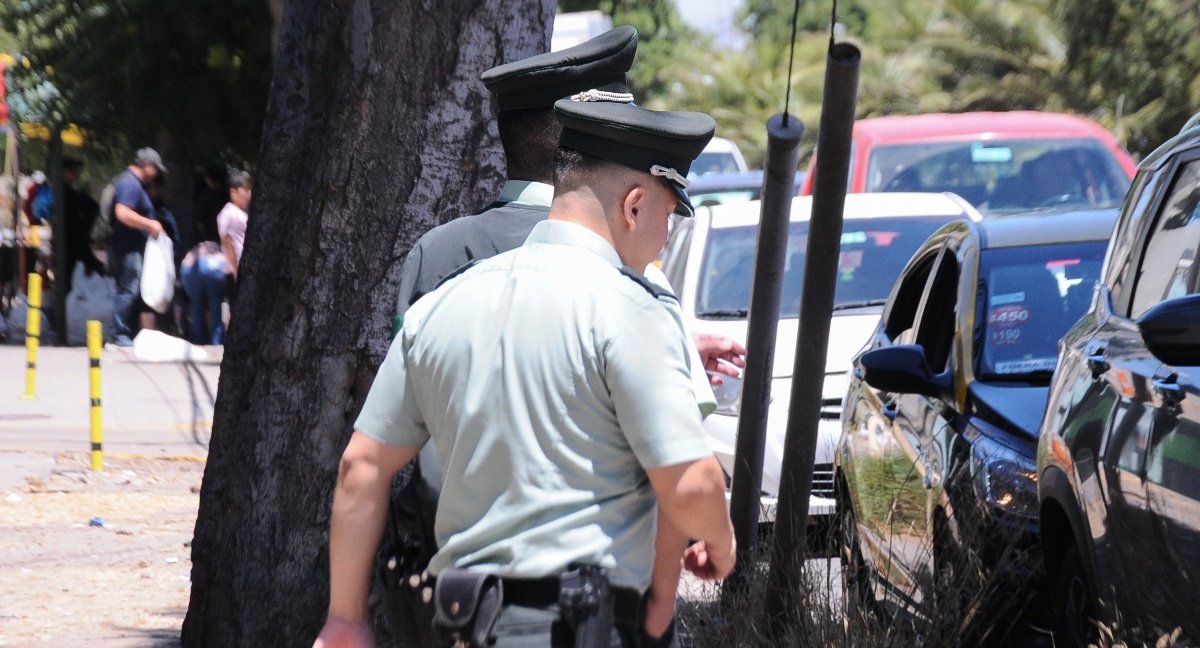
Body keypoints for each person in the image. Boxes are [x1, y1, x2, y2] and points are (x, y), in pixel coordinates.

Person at [315, 99, 737, 648]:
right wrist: (721, 545)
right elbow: (689, 483)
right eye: (666, 218)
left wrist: (345, 616)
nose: (661, 240)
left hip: (461, 623)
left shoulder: (441, 307)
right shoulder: (634, 311)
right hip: (581, 627)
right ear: (634, 205)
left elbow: (362, 467)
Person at [107, 147, 167, 347]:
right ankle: (119, 334)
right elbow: (122, 213)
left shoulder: (134, 183)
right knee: (128, 289)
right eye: (156, 168)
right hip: (128, 247)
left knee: (131, 288)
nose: (157, 173)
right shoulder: (130, 184)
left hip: (131, 246)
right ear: (146, 165)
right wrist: (149, 224)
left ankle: (124, 332)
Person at [179, 241, 231, 344]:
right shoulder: (218, 243)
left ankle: (199, 342)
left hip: (189, 268)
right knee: (216, 307)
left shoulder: (193, 247)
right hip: (216, 266)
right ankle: (217, 342)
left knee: (197, 306)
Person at [216, 170, 252, 281]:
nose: (249, 194)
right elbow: (228, 242)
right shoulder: (229, 213)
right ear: (233, 192)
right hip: (234, 271)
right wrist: (236, 271)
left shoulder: (244, 212)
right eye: (245, 190)